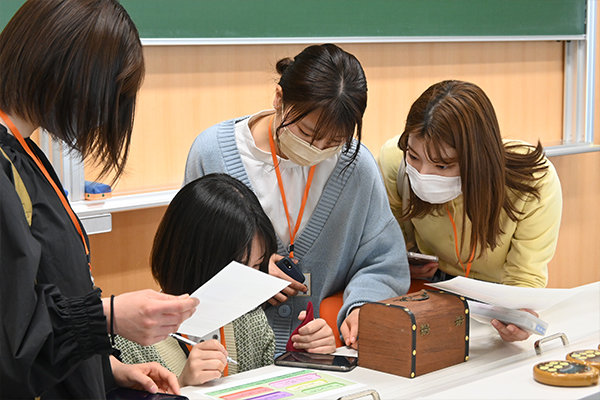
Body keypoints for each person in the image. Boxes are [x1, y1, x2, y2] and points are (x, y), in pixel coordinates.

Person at [0, 1, 198, 398]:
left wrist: (107, 368)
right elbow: (11, 345)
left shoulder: (24, 151)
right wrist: (106, 316)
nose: (104, 114)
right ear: (69, 71)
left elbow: (48, 295)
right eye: (109, 91)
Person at [184, 43, 410, 351]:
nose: (318, 148)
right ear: (279, 99)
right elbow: (186, 259)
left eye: (334, 140)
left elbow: (384, 262)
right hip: (229, 356)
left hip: (322, 355)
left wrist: (361, 306)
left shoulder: (356, 167)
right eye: (306, 133)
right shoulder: (212, 153)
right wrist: (252, 273)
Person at [378, 80, 562, 342]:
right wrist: (405, 264)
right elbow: (393, 245)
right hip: (432, 295)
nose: (423, 174)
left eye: (442, 166)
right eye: (414, 156)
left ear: (477, 159)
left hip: (498, 301)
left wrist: (518, 317)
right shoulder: (393, 163)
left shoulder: (533, 182)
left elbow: (524, 277)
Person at [114, 173, 336, 386]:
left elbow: (271, 389)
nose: (248, 281)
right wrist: (183, 386)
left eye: (257, 266)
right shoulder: (129, 339)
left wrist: (305, 357)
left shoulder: (250, 321)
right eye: (238, 268)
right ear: (193, 260)